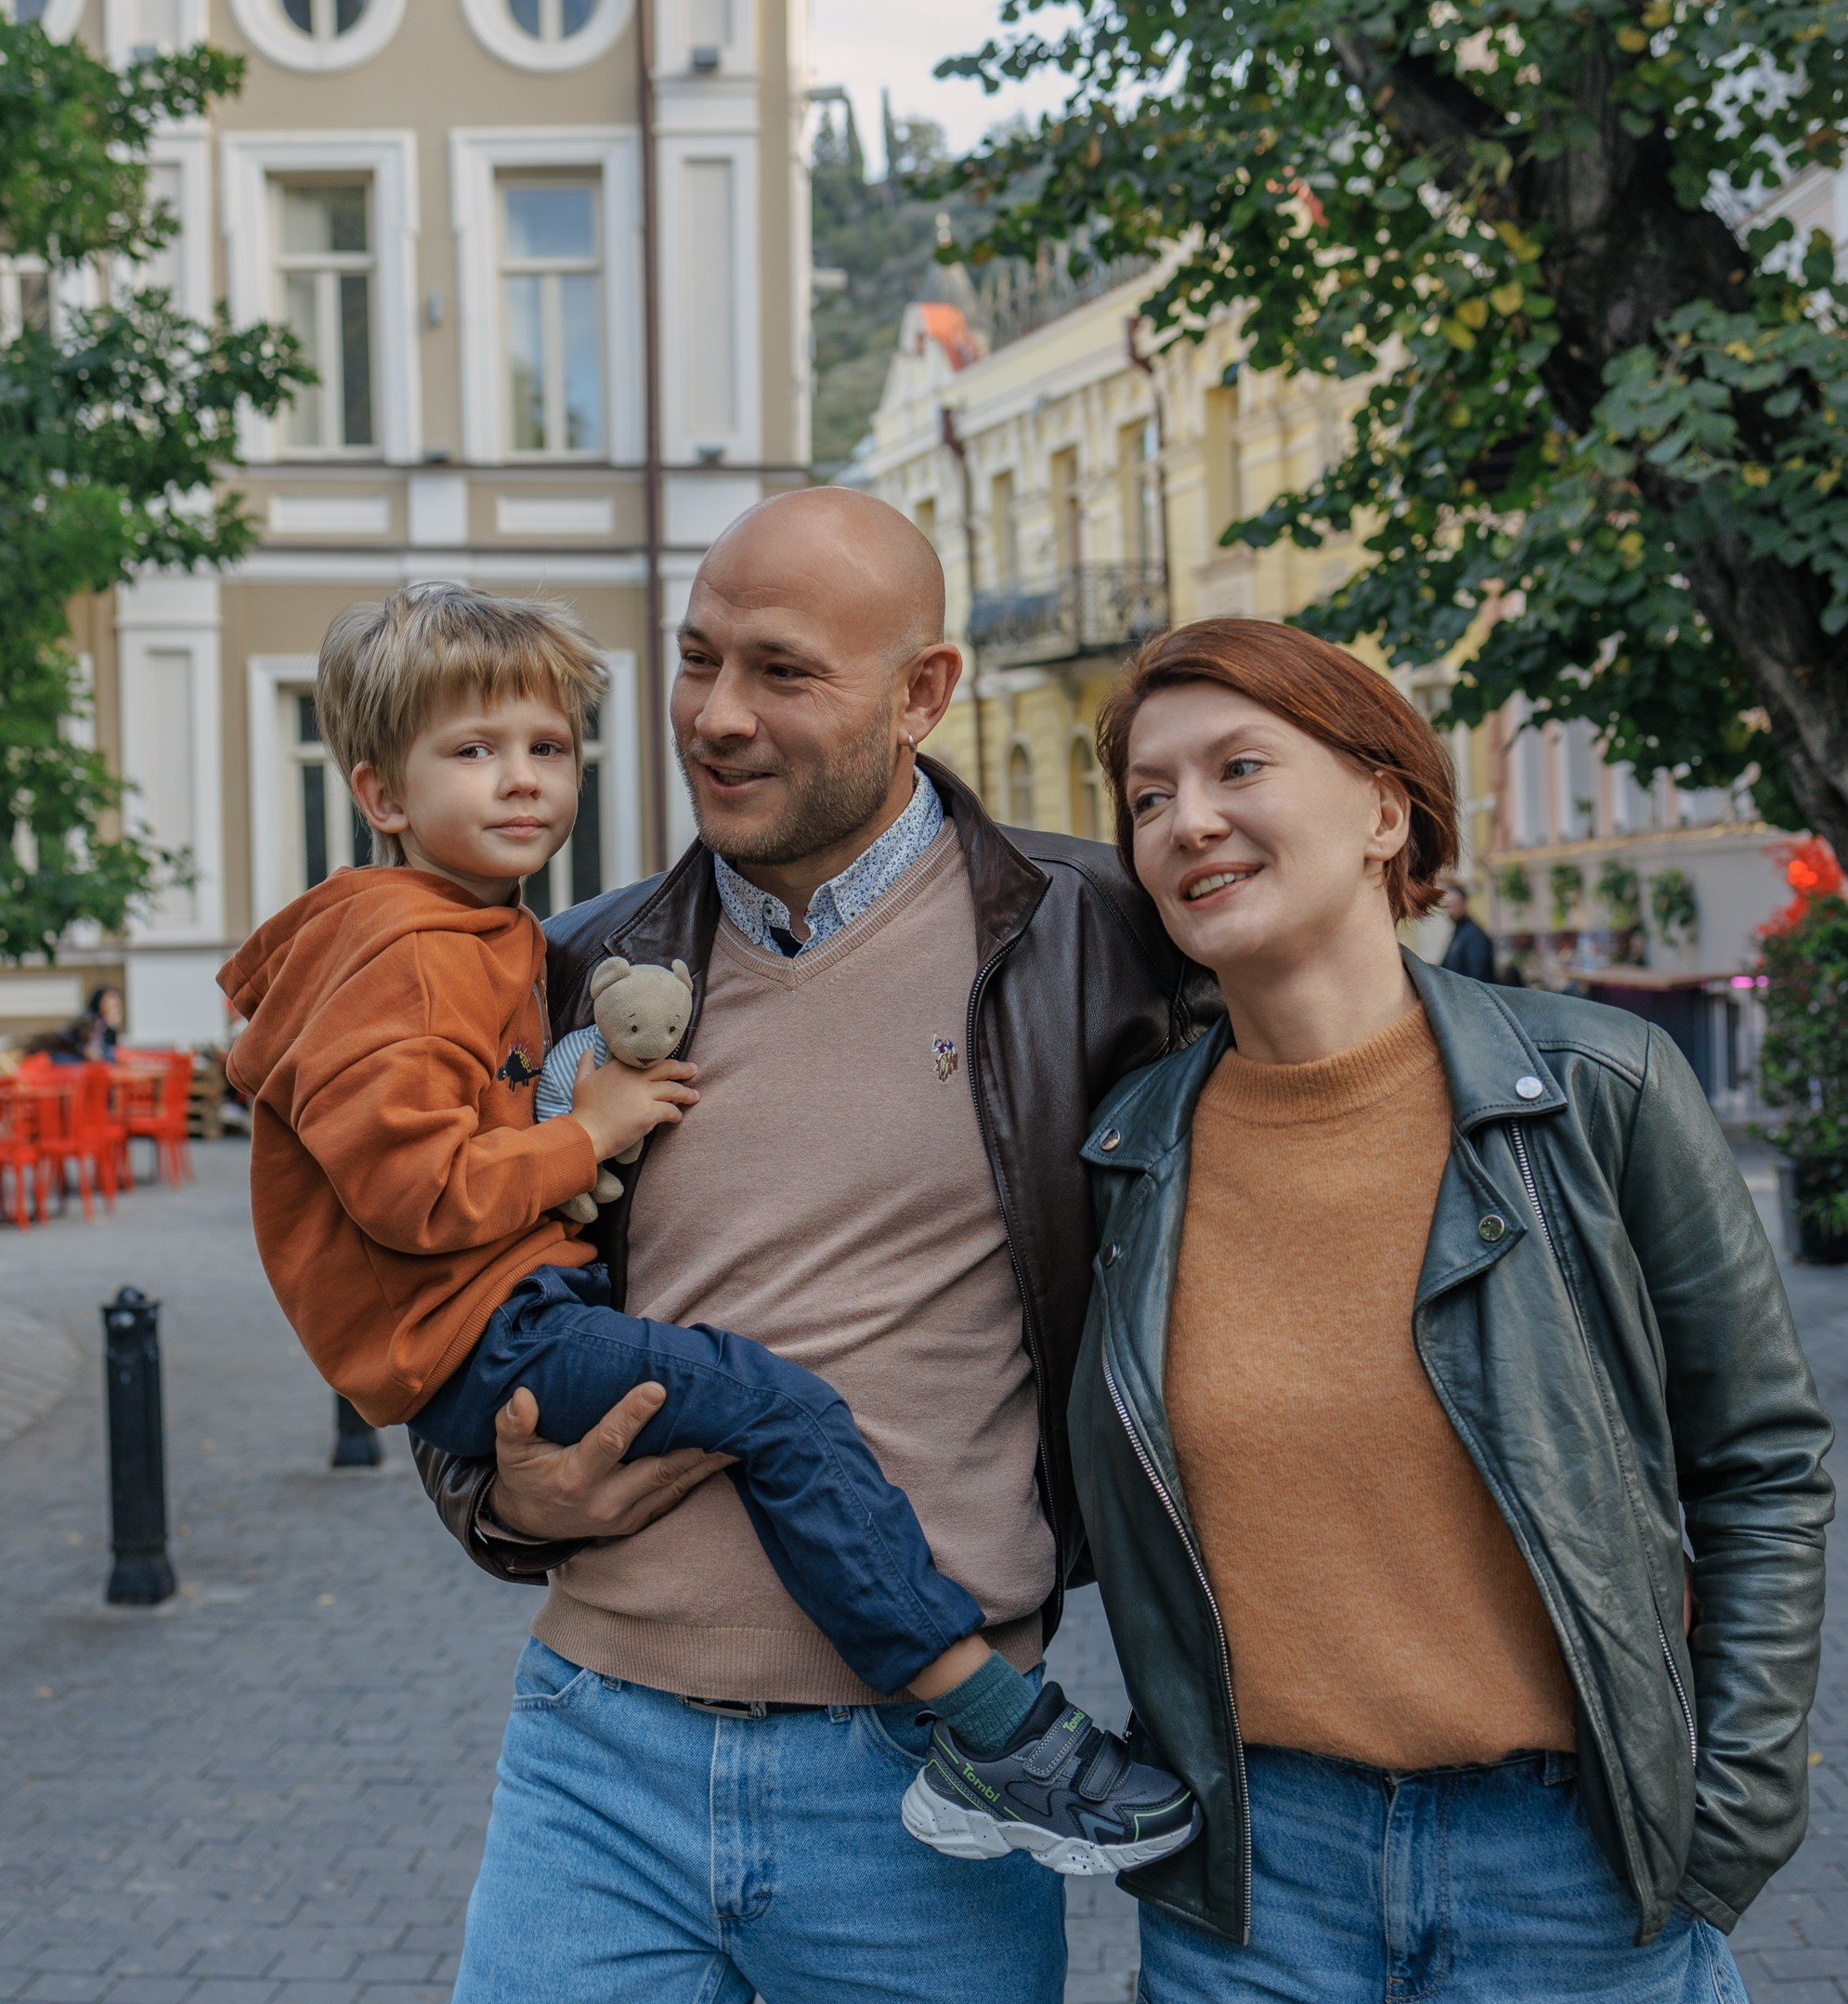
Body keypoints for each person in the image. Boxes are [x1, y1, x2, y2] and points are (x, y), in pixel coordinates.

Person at [404, 496, 1218, 2004]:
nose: (717, 712)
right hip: (595, 1768)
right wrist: (491, 1498)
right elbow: (447, 1293)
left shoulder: (1089, 938)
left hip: (935, 1786)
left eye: (783, 670)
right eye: (698, 657)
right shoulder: (580, 964)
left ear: (924, 690)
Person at [1070, 615, 1831, 2004]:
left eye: (1240, 769)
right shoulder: (1126, 1152)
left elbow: (1765, 1460)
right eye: (1149, 794)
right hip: (1255, 1898)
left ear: (1390, 813)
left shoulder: (1596, 1091)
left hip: (1570, 1875)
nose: (1186, 822)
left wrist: (1727, 1811)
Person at [218, 584, 1191, 1878]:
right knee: (775, 1407)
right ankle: (991, 1726)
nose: (522, 783)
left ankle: (972, 1709)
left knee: (753, 1405)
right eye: (475, 753)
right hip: (536, 1472)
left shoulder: (1093, 923)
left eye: (549, 750)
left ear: (921, 694)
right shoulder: (439, 952)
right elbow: (414, 1204)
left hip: (524, 1338)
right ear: (380, 794)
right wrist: (594, 1131)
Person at [1438, 870, 1497, 980]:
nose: (1449, 911)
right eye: (1446, 907)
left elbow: (1478, 975)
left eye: (1452, 905)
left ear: (1463, 904)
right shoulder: (1458, 932)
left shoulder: (1474, 935)